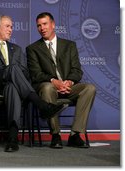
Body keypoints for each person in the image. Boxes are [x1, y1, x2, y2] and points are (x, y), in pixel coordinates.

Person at [0, 15, 66, 152]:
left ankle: (12, 138)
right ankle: (41, 104)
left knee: (12, 87)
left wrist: (12, 73)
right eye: (7, 26)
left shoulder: (16, 49)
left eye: (11, 27)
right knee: (12, 68)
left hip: (13, 86)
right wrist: (8, 70)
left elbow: (25, 72)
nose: (11, 30)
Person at [26, 12, 96, 148]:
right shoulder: (32, 49)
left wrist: (69, 81)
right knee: (47, 88)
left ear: (53, 25)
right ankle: (55, 135)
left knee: (89, 88)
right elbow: (36, 74)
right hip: (49, 87)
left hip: (68, 87)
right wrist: (54, 81)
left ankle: (75, 134)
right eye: (39, 26)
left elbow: (77, 70)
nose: (42, 28)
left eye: (45, 24)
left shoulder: (69, 45)